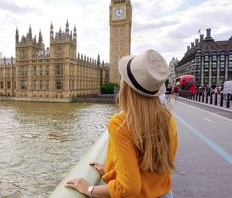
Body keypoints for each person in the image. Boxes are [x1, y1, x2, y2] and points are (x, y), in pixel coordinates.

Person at [65, 49, 178, 198]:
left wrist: (89, 189)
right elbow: (149, 168)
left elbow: (129, 188)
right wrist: (111, 173)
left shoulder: (120, 123)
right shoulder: (167, 117)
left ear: (126, 87)